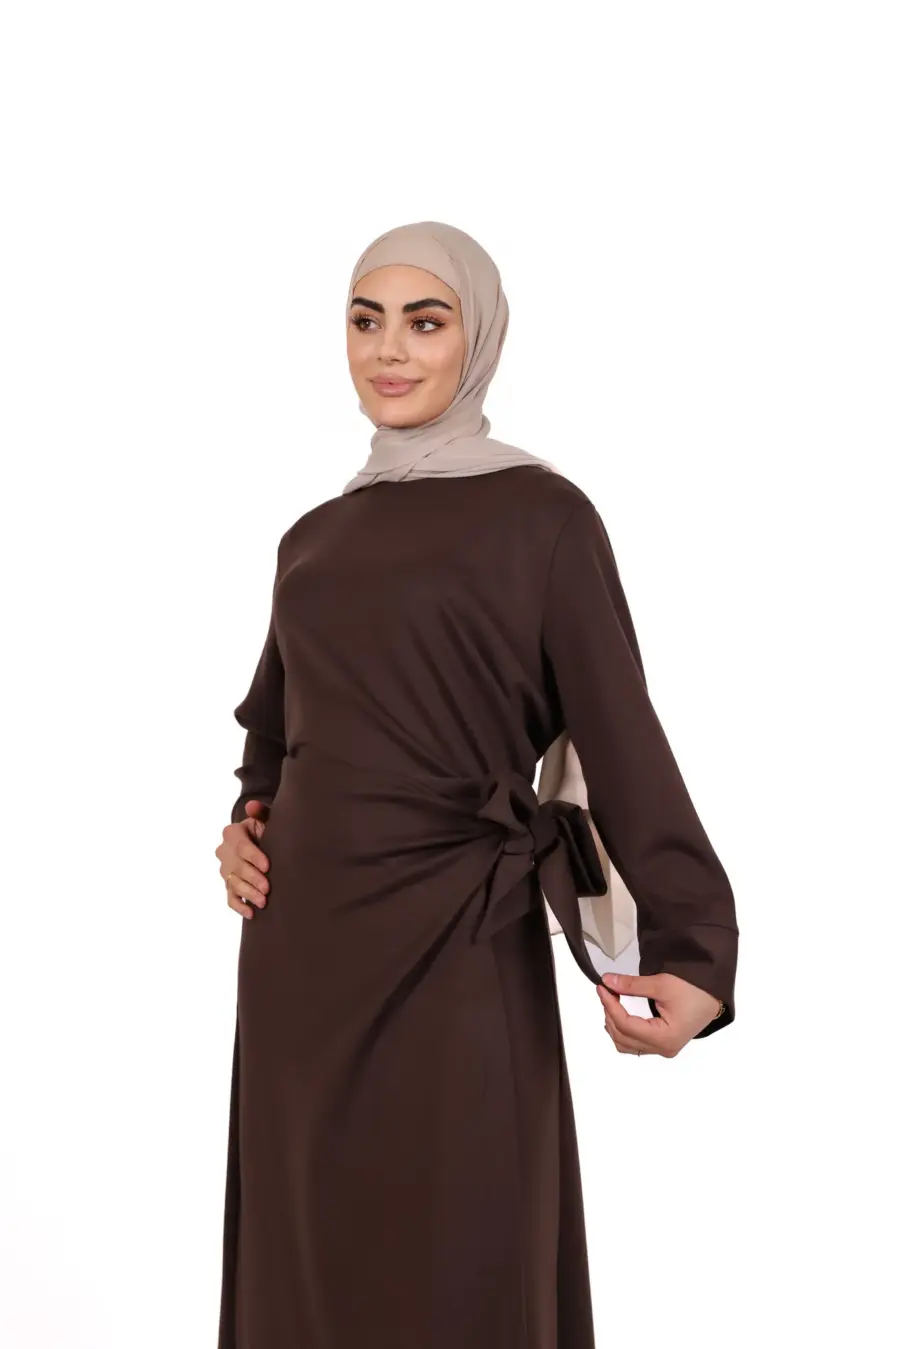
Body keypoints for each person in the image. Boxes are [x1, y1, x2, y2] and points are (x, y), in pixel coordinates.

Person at [213, 220, 739, 1348]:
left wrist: (698, 948)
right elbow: (276, 730)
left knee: (461, 1250)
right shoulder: (312, 538)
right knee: (309, 1263)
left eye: (425, 321)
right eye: (365, 321)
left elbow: (624, 736)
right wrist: (243, 825)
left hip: (459, 934)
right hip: (303, 959)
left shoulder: (545, 517)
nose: (388, 350)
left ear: (479, 337)